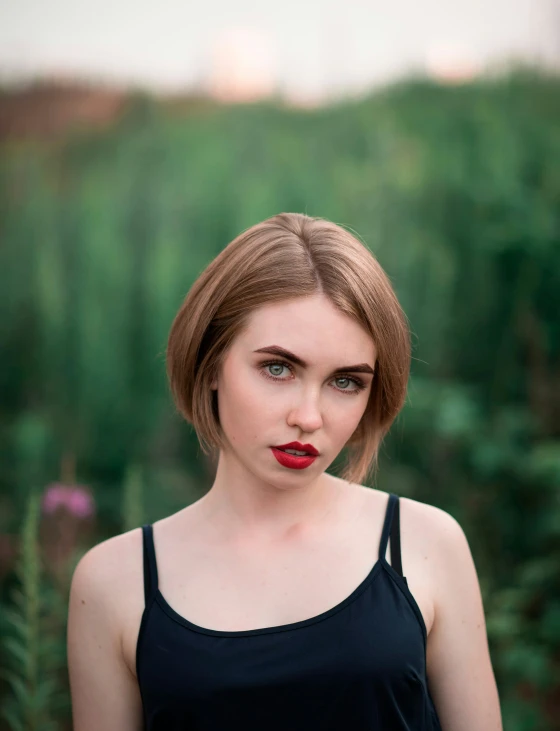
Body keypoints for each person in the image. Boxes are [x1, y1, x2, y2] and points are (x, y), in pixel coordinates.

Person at [67, 212, 503, 730]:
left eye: (346, 382)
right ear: (210, 365)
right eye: (278, 368)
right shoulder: (115, 582)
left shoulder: (426, 545)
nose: (309, 416)